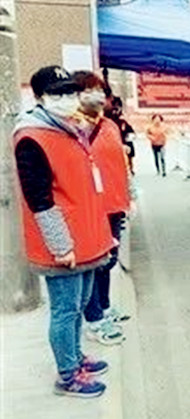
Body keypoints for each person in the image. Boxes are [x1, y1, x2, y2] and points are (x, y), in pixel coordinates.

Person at [14, 66, 114, 397]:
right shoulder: (32, 138)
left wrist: (101, 235)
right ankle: (68, 375)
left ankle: (75, 356)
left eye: (70, 91)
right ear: (40, 97)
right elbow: (39, 199)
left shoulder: (69, 129)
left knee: (80, 302)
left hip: (85, 238)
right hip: (64, 243)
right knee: (65, 309)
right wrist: (60, 245)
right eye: (58, 93)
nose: (68, 98)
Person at [73, 70, 132, 346]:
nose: (98, 96)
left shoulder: (109, 125)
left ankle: (105, 307)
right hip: (91, 208)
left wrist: (127, 197)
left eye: (101, 91)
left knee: (108, 262)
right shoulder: (72, 127)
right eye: (89, 90)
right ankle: (94, 320)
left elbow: (118, 164)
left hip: (114, 205)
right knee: (94, 264)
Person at [105, 96, 136, 176]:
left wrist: (129, 138)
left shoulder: (122, 122)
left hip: (124, 143)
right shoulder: (105, 123)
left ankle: (130, 169)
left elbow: (131, 132)